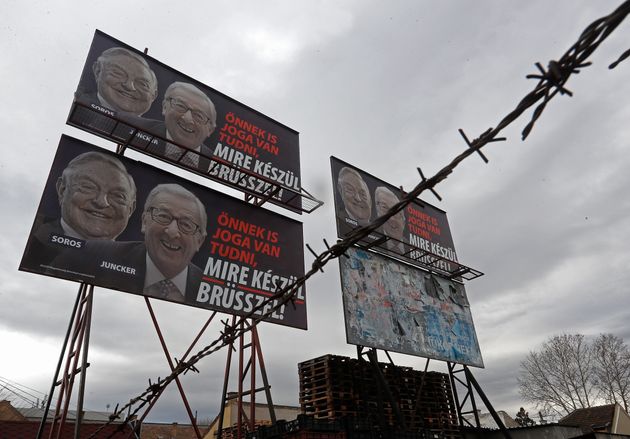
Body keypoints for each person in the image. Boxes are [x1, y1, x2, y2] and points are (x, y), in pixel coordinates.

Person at [52, 184, 207, 303]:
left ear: (200, 241)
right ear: (144, 221)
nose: (172, 232)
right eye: (163, 216)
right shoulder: (90, 255)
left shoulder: (210, 287)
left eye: (187, 225)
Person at [21, 152, 137, 268]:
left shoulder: (139, 264)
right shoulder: (33, 242)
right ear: (62, 190)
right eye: (88, 187)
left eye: (118, 196)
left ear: (131, 209)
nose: (102, 202)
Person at [139, 82, 217, 172]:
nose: (187, 119)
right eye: (180, 106)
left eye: (199, 116)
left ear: (210, 130)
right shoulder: (134, 126)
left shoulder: (215, 164)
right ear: (164, 107)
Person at [79, 47, 158, 117]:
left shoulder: (159, 129)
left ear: (154, 96)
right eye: (118, 73)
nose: (129, 86)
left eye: (142, 84)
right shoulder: (82, 103)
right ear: (98, 71)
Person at [374, 186, 406, 253]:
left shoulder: (412, 249)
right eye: (384, 208)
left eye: (397, 213)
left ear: (403, 221)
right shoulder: (371, 238)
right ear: (378, 212)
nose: (392, 218)